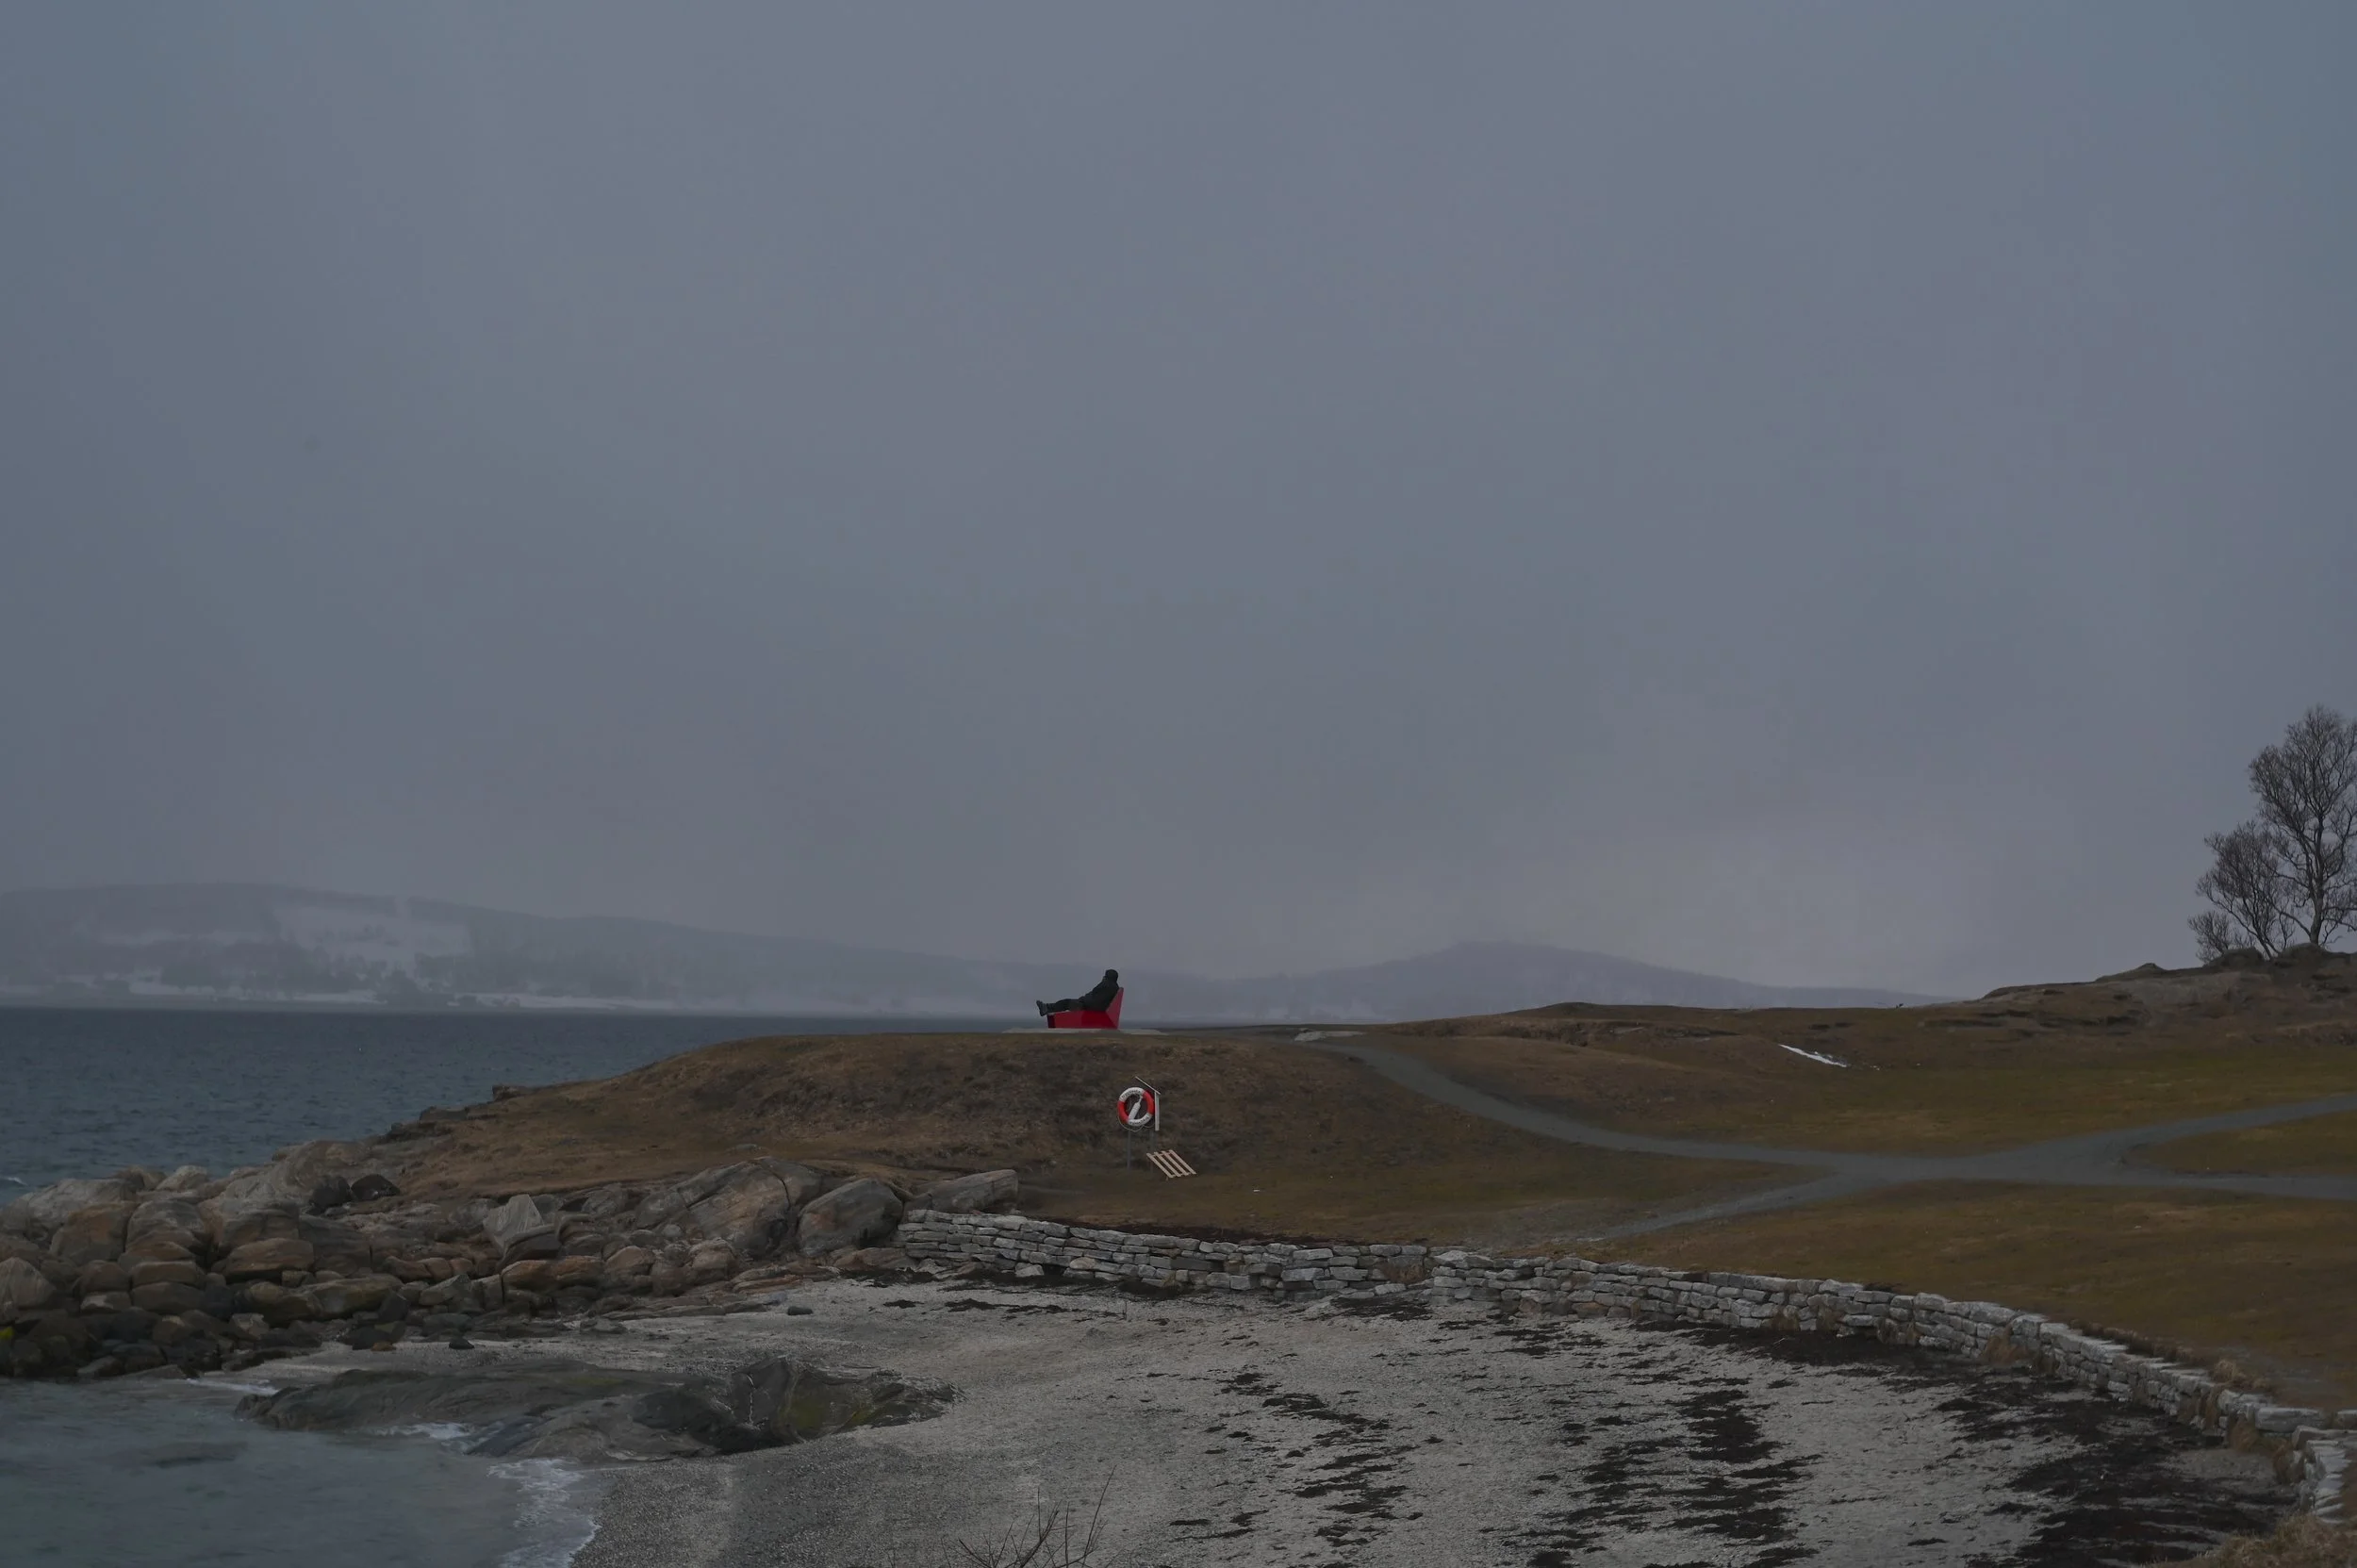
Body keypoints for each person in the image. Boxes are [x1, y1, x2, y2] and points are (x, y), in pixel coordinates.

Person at [1037, 968, 1120, 1017]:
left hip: (1089, 1008)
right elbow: (1097, 997)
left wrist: (1084, 999)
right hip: (1092, 1006)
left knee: (1067, 1003)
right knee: (1068, 1002)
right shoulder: (1112, 987)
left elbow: (1096, 1001)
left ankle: (1047, 1007)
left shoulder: (1106, 985)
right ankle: (1047, 1007)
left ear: (1107, 977)